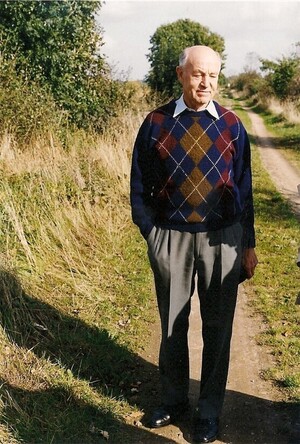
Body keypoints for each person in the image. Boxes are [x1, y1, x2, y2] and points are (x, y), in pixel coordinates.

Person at [130, 45, 258, 443]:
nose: (206, 83)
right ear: (181, 74)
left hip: (224, 239)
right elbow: (139, 184)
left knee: (217, 329)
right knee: (172, 324)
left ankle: (208, 411)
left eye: (214, 76)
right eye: (199, 74)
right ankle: (173, 400)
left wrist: (248, 244)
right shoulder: (155, 123)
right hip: (172, 237)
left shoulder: (233, 125)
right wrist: (153, 233)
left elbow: (245, 189)